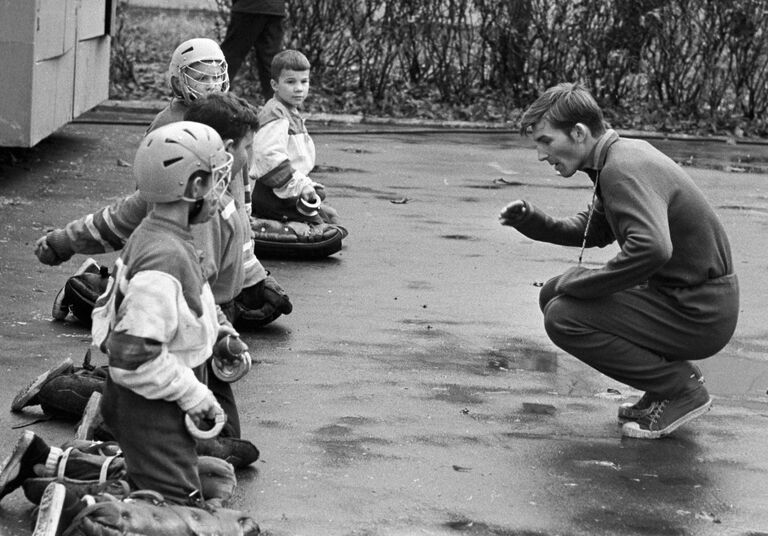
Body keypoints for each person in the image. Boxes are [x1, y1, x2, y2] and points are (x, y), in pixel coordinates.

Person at [499, 82, 739, 440]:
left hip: (699, 312)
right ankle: (662, 387)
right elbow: (593, 231)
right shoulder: (618, 156)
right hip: (689, 299)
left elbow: (653, 249)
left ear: (578, 133)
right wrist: (532, 221)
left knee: (564, 316)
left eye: (545, 141)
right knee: (553, 294)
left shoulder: (622, 169)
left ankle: (680, 387)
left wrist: (578, 282)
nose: (540, 155)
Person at [90, 120, 239, 504]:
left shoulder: (165, 234)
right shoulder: (165, 257)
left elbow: (187, 307)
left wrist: (218, 333)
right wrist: (194, 396)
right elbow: (132, 356)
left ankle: (70, 470)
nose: (220, 190)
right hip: (151, 408)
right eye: (214, 179)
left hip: (158, 400)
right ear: (193, 187)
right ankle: (73, 510)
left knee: (204, 479)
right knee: (176, 511)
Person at [250, 49, 341, 225]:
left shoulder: (289, 110)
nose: (299, 88)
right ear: (275, 85)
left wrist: (305, 185)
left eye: (304, 81)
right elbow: (269, 158)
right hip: (275, 191)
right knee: (320, 226)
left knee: (329, 214)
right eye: (290, 82)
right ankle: (270, 217)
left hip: (289, 187)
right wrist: (300, 185)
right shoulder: (276, 115)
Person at [147, 37, 230, 133]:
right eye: (202, 78)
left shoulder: (227, 112)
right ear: (178, 83)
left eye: (216, 77)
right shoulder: (168, 124)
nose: (212, 85)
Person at [220, 0, 286, 100]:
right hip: (275, 8)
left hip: (248, 7)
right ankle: (278, 107)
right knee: (270, 62)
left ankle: (212, 101)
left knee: (230, 56)